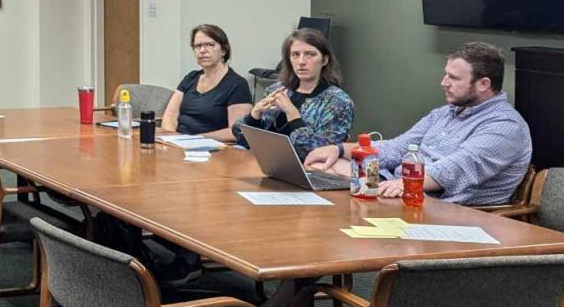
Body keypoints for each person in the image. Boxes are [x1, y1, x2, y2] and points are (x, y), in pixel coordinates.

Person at [304, 41, 531, 205]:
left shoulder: (505, 126)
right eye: (446, 74)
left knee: (335, 211)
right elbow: (399, 147)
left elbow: (458, 168)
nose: (444, 83)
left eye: (454, 78)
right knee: (322, 169)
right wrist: (340, 150)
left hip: (443, 208)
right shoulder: (444, 113)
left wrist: (405, 183)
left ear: (483, 84)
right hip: (398, 188)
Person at [232, 27, 354, 158]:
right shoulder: (276, 90)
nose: (301, 62)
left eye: (310, 54)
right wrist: (254, 114)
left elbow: (318, 153)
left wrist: (293, 115)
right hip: (263, 163)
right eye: (295, 55)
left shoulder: (338, 101)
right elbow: (240, 136)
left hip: (307, 171)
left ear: (324, 60)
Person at [159, 24, 252, 142]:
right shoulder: (190, 78)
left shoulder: (237, 84)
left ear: (223, 50)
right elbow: (170, 115)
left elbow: (236, 131)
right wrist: (172, 138)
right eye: (198, 46)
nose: (202, 50)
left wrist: (194, 139)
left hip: (213, 147)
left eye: (209, 45)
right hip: (178, 143)